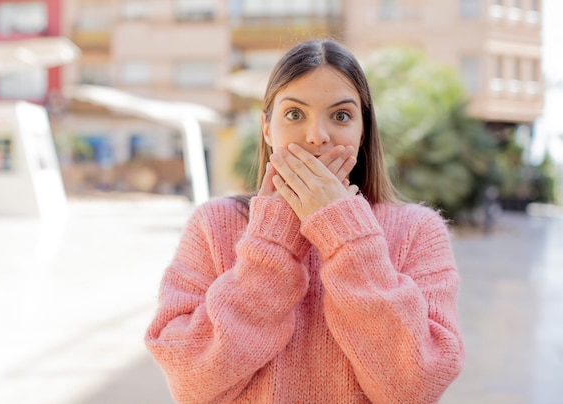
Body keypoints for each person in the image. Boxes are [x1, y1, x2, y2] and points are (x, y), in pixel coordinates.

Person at [145, 39, 464, 403]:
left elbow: (416, 387)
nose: (317, 137)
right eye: (295, 114)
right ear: (267, 128)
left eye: (341, 116)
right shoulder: (214, 224)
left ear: (362, 132)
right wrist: (273, 237)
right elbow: (190, 378)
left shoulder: (418, 231)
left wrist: (346, 232)